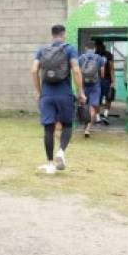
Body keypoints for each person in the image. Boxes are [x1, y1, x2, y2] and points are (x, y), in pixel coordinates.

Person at [32, 25, 86, 174]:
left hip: (47, 95)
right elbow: (76, 69)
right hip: (65, 94)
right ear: (64, 35)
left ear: (52, 35)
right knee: (68, 125)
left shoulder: (42, 50)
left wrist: (38, 91)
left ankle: (50, 165)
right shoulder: (69, 49)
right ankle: (61, 152)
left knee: (48, 129)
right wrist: (81, 92)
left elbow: (34, 69)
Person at [77, 41, 106, 138]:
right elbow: (102, 74)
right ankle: (88, 128)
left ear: (85, 48)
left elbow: (79, 73)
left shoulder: (81, 58)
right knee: (93, 107)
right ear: (94, 48)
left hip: (83, 85)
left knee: (83, 106)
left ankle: (84, 124)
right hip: (95, 85)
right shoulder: (99, 58)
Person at [95, 40, 116, 123]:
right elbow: (112, 69)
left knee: (97, 99)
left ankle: (97, 117)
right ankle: (105, 115)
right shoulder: (108, 54)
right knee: (108, 98)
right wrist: (113, 81)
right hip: (107, 79)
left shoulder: (94, 55)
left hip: (96, 80)